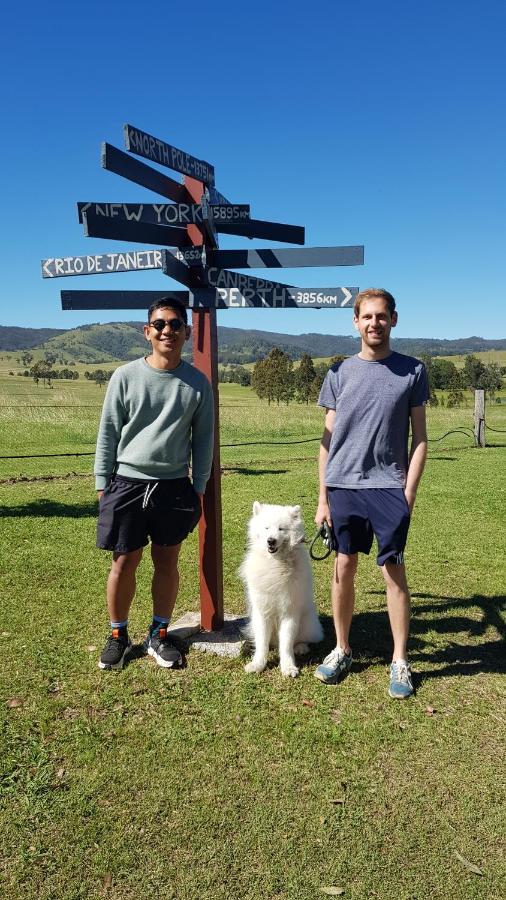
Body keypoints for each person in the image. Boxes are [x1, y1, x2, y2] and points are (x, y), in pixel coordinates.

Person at [314, 288, 428, 698]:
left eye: (382, 316)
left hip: (387, 487)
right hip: (343, 486)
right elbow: (326, 443)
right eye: (367, 317)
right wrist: (322, 499)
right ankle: (341, 649)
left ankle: (400, 660)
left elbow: (420, 440)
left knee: (393, 571)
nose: (374, 323)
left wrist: (407, 495)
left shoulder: (413, 371)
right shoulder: (339, 373)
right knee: (343, 568)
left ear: (393, 320)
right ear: (356, 322)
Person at [94, 297, 214, 671]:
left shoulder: (197, 384)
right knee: (124, 561)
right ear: (147, 332)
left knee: (168, 561)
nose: (167, 330)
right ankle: (118, 635)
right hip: (127, 482)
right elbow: (108, 433)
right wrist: (103, 484)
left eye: (175, 324)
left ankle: (159, 635)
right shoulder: (125, 376)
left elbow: (203, 439)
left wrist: (199, 485)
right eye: (159, 324)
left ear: (186, 332)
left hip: (174, 486)